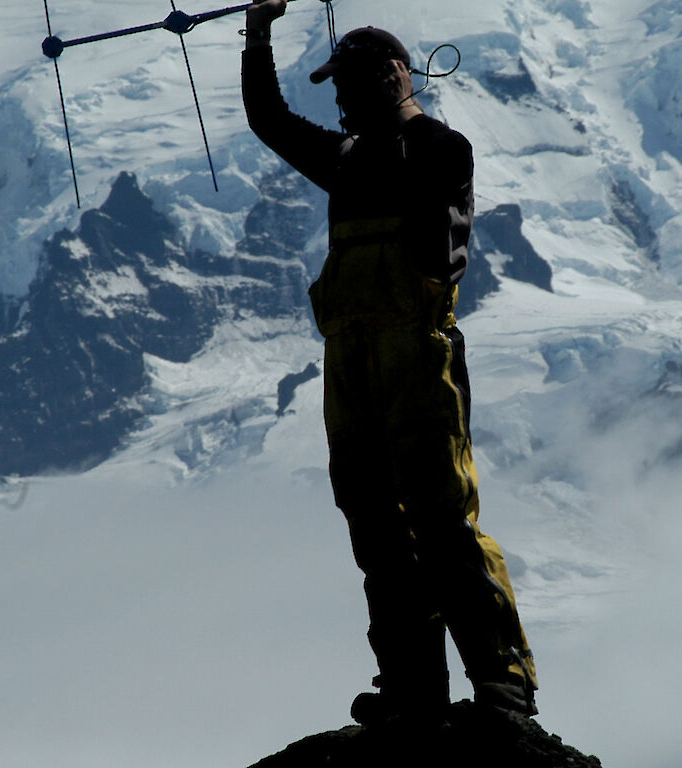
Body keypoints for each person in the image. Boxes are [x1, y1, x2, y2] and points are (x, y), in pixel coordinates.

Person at [241, 0, 540, 723]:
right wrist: (257, 35)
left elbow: (420, 177)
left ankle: (502, 681)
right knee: (374, 524)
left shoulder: (439, 148)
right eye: (336, 85)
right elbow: (269, 121)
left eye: (351, 81)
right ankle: (412, 686)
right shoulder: (347, 161)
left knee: (442, 518)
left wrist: (395, 117)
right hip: (350, 362)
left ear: (394, 75)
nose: (340, 98)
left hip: (417, 354)